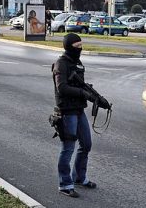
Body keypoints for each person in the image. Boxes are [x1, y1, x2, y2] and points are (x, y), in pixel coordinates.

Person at [52, 33, 107, 198]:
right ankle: (65, 184)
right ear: (69, 47)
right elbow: (62, 88)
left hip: (78, 110)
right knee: (68, 148)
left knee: (87, 144)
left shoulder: (77, 63)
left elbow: (81, 85)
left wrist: (96, 98)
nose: (80, 49)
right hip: (67, 111)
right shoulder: (61, 64)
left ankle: (79, 177)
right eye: (77, 46)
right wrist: (84, 93)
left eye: (81, 45)